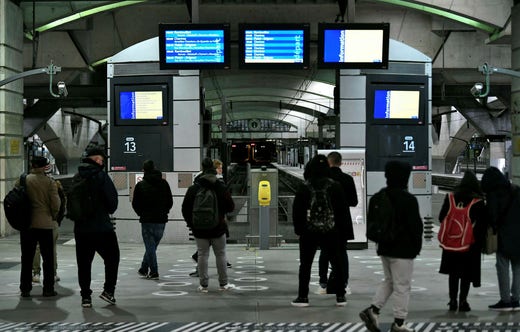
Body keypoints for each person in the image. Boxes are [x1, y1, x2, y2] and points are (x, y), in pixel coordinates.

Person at [359, 160, 423, 332]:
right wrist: (416, 248)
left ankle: (373, 310)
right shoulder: (408, 200)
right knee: (402, 286)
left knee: (390, 281)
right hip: (403, 250)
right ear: (404, 177)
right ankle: (399, 323)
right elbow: (416, 228)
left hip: (384, 248)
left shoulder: (378, 197)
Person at [291, 154, 348, 307]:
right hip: (331, 230)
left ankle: (303, 297)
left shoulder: (305, 186)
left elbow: (297, 211)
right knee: (337, 263)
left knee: (305, 264)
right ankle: (341, 296)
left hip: (309, 232)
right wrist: (341, 230)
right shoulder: (335, 186)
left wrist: (299, 230)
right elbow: (342, 211)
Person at [73, 148, 119, 308]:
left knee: (84, 263)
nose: (102, 162)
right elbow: (112, 203)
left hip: (81, 229)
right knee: (112, 258)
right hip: (101, 228)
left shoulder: (77, 176)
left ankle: (86, 297)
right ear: (97, 159)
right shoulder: (101, 176)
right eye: (101, 159)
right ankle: (108, 291)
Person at [182, 157, 235, 292]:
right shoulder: (220, 186)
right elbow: (231, 206)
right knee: (221, 255)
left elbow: (185, 208)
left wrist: (192, 224)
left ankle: (203, 285)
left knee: (202, 255)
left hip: (199, 230)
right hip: (218, 228)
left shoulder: (194, 188)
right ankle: (223, 284)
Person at [438, 171, 487, 312]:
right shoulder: (478, 201)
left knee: (453, 273)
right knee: (466, 274)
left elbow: (442, 217)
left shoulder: (451, 197)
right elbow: (482, 225)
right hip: (469, 245)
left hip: (451, 243)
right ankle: (463, 301)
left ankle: (452, 300)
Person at [19, 156, 61, 298]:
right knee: (48, 258)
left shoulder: (24, 180)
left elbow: (15, 197)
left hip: (27, 225)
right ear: (44, 167)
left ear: (32, 165)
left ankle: (25, 288)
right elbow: (56, 203)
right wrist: (54, 216)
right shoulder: (49, 182)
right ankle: (48, 289)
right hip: (45, 224)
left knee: (27, 258)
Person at [317, 151, 358, 294]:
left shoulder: (322, 179)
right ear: (341, 163)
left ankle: (323, 281)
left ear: (329, 162)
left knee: (325, 251)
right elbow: (354, 202)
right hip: (343, 220)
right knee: (342, 251)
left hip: (326, 221)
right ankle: (344, 280)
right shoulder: (347, 179)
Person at [481, 166, 520, 311]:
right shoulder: (516, 190)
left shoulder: (494, 194)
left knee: (502, 267)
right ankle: (516, 299)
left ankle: (505, 300)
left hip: (503, 236)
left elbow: (492, 216)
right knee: (517, 267)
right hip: (519, 236)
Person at [132, 160, 173, 280]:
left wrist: (141, 213)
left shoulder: (140, 185)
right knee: (152, 246)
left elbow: (135, 203)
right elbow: (169, 201)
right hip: (161, 220)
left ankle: (154, 271)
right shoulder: (164, 184)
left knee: (150, 246)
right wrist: (165, 212)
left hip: (147, 220)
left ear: (144, 170)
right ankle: (144, 268)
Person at [32, 178, 65, 283]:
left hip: (35, 220)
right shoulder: (54, 185)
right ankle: (53, 273)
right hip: (51, 221)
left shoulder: (31, 183)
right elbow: (60, 204)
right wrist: (56, 218)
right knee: (51, 248)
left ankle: (36, 273)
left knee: (36, 248)